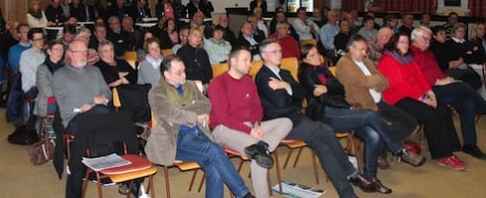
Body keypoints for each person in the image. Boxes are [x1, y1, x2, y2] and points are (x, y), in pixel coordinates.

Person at [255, 39, 375, 198]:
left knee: (324, 147)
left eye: (280, 51)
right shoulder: (263, 77)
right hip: (280, 123)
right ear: (264, 55)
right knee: (326, 130)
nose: (279, 55)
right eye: (274, 52)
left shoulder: (284, 74)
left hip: (297, 119)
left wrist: (286, 86)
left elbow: (302, 94)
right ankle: (351, 173)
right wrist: (293, 95)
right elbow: (282, 103)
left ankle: (347, 193)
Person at [299, 43, 424, 193]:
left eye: (317, 53)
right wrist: (346, 105)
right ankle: (399, 150)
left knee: (374, 136)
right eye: (311, 55)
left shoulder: (323, 69)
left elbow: (340, 88)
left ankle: (372, 179)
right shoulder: (306, 74)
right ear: (305, 60)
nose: (317, 57)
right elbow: (324, 99)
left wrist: (328, 89)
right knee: (370, 115)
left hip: (341, 111)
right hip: (325, 114)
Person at [146, 55, 254, 198]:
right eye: (179, 72)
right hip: (176, 140)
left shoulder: (190, 85)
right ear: (167, 74)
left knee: (214, 167)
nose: (183, 74)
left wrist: (182, 110)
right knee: (213, 150)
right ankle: (243, 194)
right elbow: (170, 113)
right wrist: (195, 116)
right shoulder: (157, 91)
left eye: (184, 70)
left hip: (200, 134)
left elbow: (206, 104)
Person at [208, 48, 293, 198]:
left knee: (286, 122)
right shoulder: (218, 83)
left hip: (249, 127)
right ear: (233, 62)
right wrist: (250, 132)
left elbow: (257, 108)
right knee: (259, 155)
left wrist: (256, 125)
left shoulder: (248, 81)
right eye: (245, 60)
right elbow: (223, 118)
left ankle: (263, 146)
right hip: (223, 129)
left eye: (250, 61)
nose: (250, 64)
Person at [377, 32, 466, 170]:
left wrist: (430, 93)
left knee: (442, 108)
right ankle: (442, 155)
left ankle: (450, 147)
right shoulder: (388, 60)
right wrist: (423, 99)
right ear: (394, 44)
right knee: (430, 115)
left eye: (407, 42)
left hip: (416, 94)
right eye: (401, 42)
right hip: (397, 98)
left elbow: (420, 77)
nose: (405, 45)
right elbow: (401, 85)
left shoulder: (408, 58)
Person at [335, 35, 418, 168]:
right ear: (351, 48)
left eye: (366, 49)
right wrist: (374, 80)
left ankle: (381, 150)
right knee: (378, 131)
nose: (365, 53)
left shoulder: (366, 61)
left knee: (410, 122)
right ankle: (386, 152)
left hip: (379, 102)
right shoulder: (344, 64)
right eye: (362, 50)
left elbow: (385, 81)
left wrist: (374, 81)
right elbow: (364, 81)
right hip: (363, 107)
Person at [411, 26, 486, 159]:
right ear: (415, 38)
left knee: (467, 103)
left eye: (429, 40)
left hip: (439, 86)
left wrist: (445, 78)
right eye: (425, 39)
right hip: (426, 92)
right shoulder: (410, 53)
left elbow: (437, 70)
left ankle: (469, 144)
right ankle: (483, 108)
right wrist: (438, 81)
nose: (428, 42)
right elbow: (415, 76)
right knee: (463, 87)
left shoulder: (429, 53)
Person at [52, 39, 112, 135]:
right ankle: (109, 149)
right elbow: (64, 103)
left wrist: (97, 102)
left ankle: (113, 149)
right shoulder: (60, 75)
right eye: (78, 52)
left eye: (85, 52)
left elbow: (107, 93)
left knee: (122, 116)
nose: (83, 55)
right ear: (69, 54)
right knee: (103, 115)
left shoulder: (95, 71)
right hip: (74, 118)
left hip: (99, 113)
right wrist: (92, 100)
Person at [34, 40, 65, 120]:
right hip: (48, 102)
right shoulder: (42, 69)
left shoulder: (64, 68)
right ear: (49, 52)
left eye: (61, 50)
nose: (60, 52)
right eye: (57, 49)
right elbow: (48, 92)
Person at [19, 28, 46, 94]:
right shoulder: (26, 55)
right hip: (32, 88)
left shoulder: (44, 55)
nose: (41, 41)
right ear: (31, 41)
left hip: (44, 86)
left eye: (42, 38)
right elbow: (30, 76)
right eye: (37, 39)